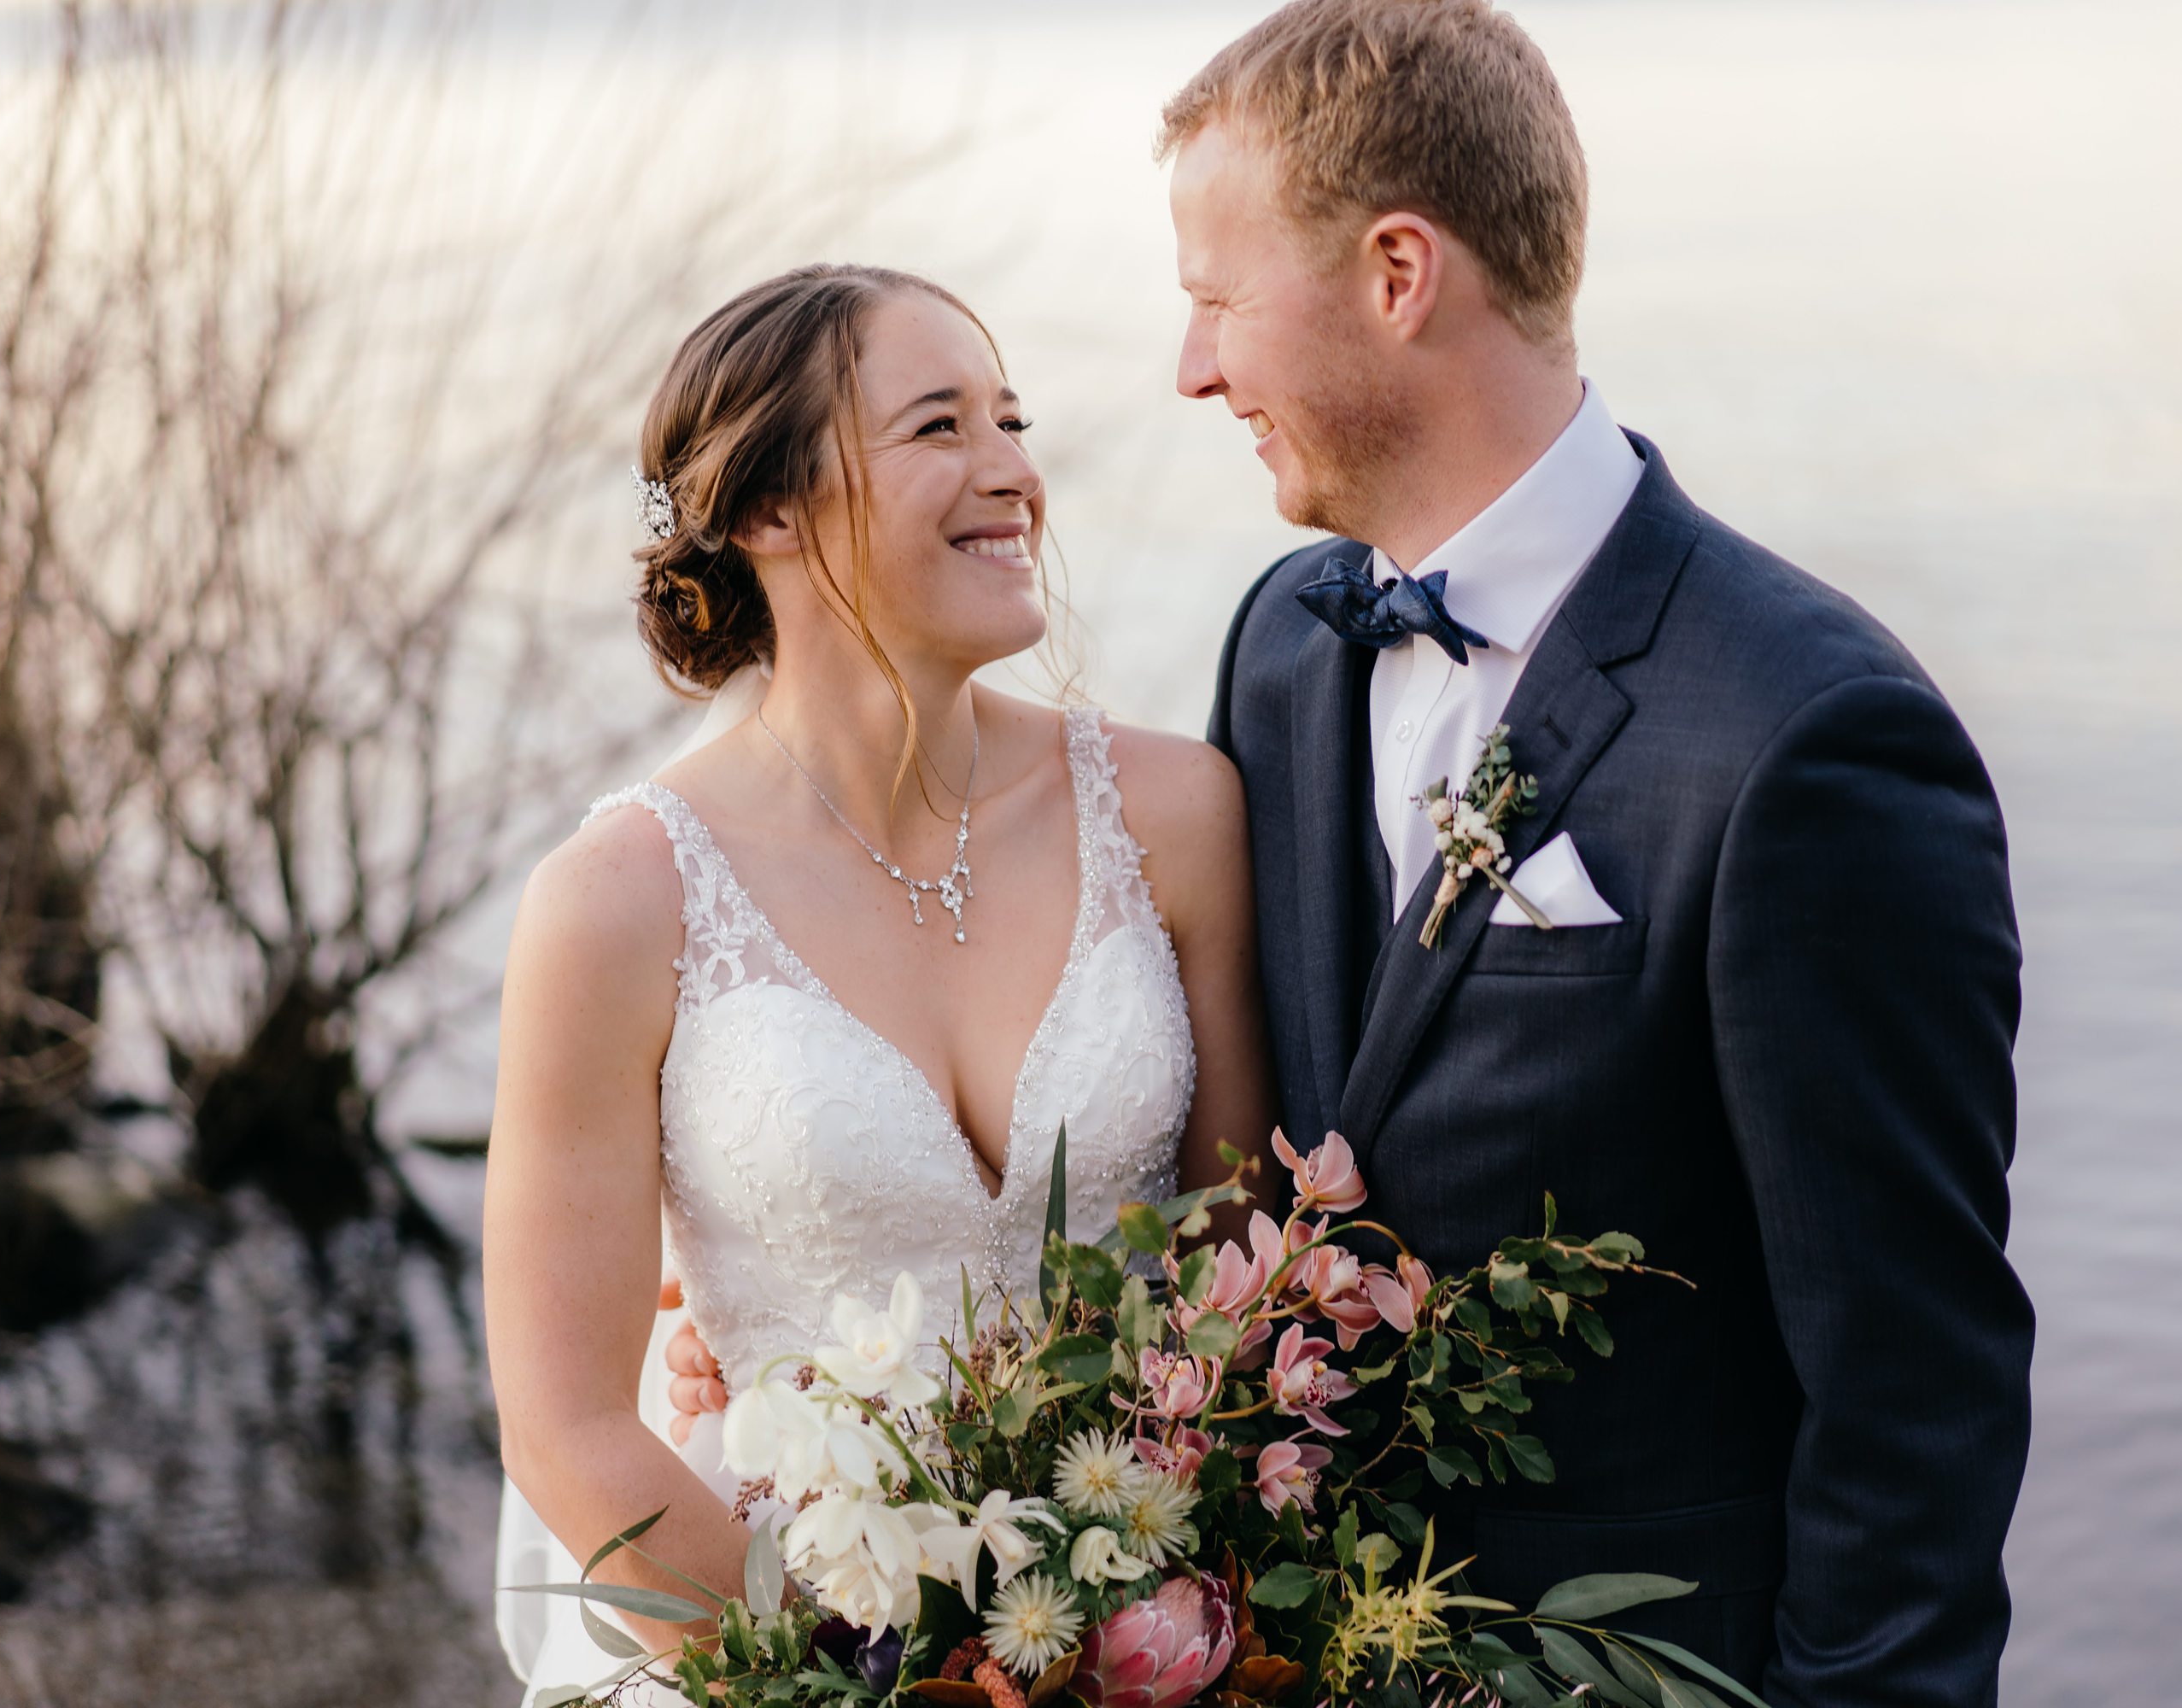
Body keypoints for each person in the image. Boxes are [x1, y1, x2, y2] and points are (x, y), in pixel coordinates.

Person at [655, 4, 2034, 1702]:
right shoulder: (1292, 647)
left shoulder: (1806, 738)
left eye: (1215, 296)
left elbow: (1915, 1390)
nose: (1191, 367)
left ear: (1398, 275)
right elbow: (1214, 1141)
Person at [482, 263, 1275, 1706]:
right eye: (940, 429)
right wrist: (836, 1691)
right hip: (765, 1636)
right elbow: (568, 1428)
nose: (1014, 472)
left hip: (1140, 1636)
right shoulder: (616, 904)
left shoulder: (1176, 814)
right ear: (771, 511)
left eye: (1012, 420)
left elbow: (1253, 1279)